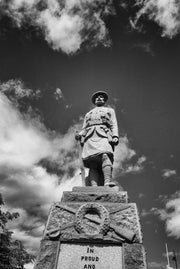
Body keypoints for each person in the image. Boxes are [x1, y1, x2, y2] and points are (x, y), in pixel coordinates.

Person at [75, 91, 119, 186]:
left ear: (104, 100)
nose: (99, 98)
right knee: (92, 163)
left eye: (101, 97)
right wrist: (80, 134)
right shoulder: (88, 114)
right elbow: (84, 127)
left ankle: (107, 182)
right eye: (97, 97)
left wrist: (115, 136)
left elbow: (113, 124)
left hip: (104, 134)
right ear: (94, 101)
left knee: (106, 155)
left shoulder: (110, 111)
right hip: (90, 137)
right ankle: (93, 186)